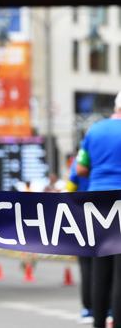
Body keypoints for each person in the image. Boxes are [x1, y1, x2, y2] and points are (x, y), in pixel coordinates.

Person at [76, 91, 121, 328]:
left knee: (100, 267)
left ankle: (99, 321)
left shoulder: (95, 130)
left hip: (97, 203)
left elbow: (81, 169)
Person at [67, 152, 93, 324]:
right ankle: (112, 308)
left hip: (83, 219)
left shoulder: (81, 159)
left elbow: (70, 188)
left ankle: (88, 309)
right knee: (111, 265)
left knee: (86, 265)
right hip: (110, 215)